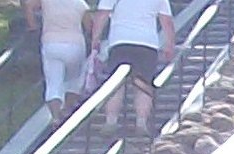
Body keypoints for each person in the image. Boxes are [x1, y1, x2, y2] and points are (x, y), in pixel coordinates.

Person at [90, 0, 173, 142]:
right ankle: (141, 123)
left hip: (120, 42)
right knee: (143, 85)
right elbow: (166, 21)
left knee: (116, 85)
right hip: (148, 44)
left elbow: (102, 14)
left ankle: (111, 122)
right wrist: (169, 45)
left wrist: (95, 39)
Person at [24, 0, 90, 125]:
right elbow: (89, 26)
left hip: (51, 43)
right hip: (75, 45)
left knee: (53, 82)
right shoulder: (80, 3)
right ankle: (67, 110)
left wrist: (33, 26)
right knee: (74, 80)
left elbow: (28, 4)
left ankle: (55, 116)